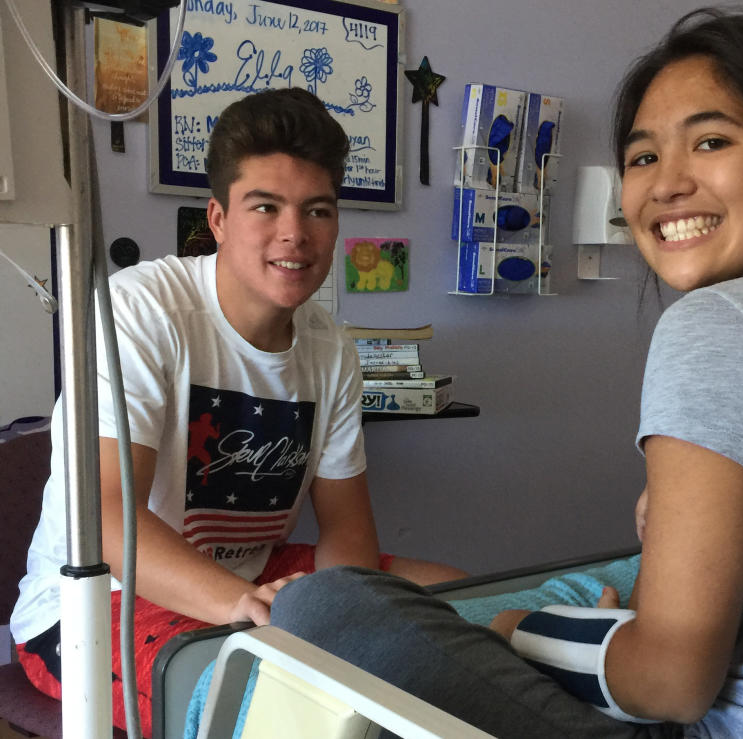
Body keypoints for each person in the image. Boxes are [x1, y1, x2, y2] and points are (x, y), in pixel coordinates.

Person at [267, 9, 743, 739]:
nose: (667, 184)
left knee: (322, 607)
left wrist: (518, 632)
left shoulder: (723, 323)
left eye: (712, 141)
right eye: (642, 157)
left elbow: (671, 679)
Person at [10, 87, 466, 736]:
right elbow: (108, 520)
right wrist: (250, 607)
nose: (294, 234)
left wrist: (345, 619)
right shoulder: (141, 310)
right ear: (219, 219)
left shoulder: (330, 346)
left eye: (317, 210)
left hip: (252, 582)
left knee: (467, 601)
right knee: (274, 702)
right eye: (266, 207)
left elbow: (347, 535)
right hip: (98, 600)